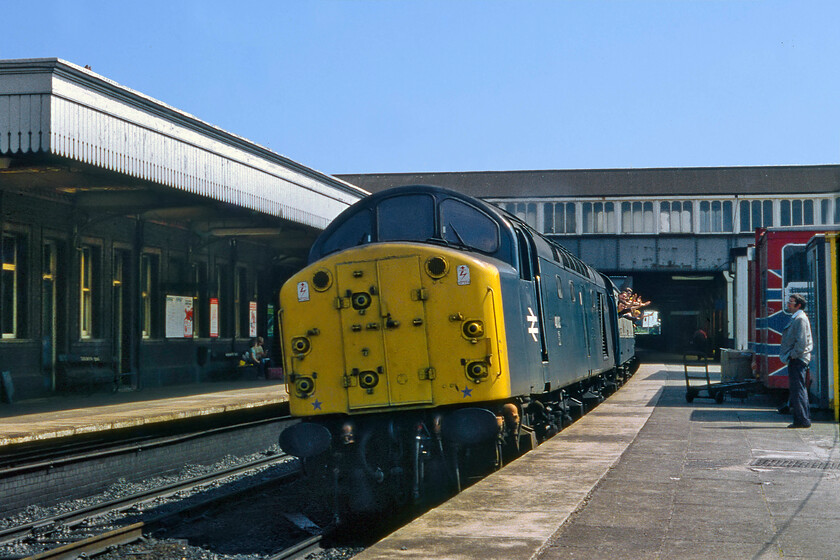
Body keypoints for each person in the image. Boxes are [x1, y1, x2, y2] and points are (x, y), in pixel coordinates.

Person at [779, 294, 813, 428]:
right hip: (797, 358)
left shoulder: (800, 319)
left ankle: (802, 420)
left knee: (797, 389)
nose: (788, 304)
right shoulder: (797, 318)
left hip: (798, 359)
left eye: (791, 302)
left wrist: (793, 355)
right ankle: (802, 418)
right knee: (799, 389)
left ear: (798, 305)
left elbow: (802, 342)